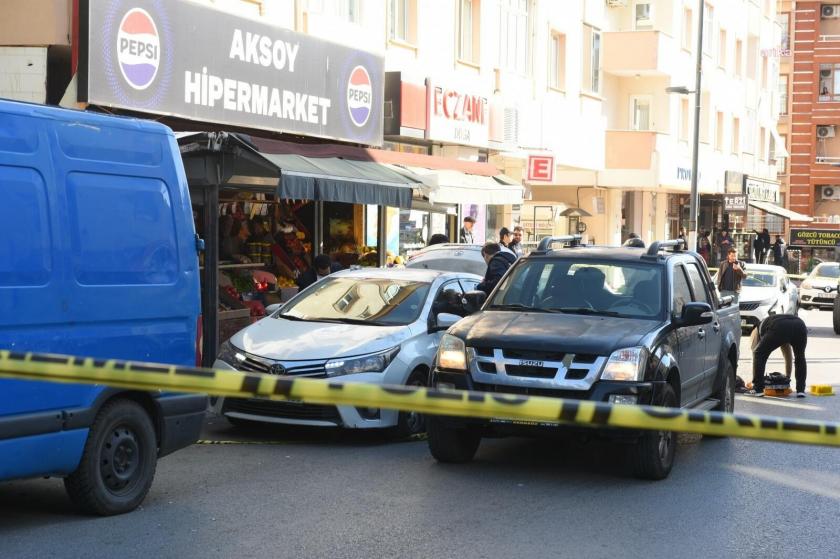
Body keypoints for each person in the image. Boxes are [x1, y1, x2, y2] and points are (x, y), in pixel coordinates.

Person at [748, 314, 808, 397]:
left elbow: (756, 353)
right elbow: (788, 355)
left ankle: (758, 389)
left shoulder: (756, 330)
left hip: (780, 326)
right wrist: (787, 377)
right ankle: (801, 390)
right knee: (800, 357)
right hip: (800, 324)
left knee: (758, 353)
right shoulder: (771, 325)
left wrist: (755, 380)